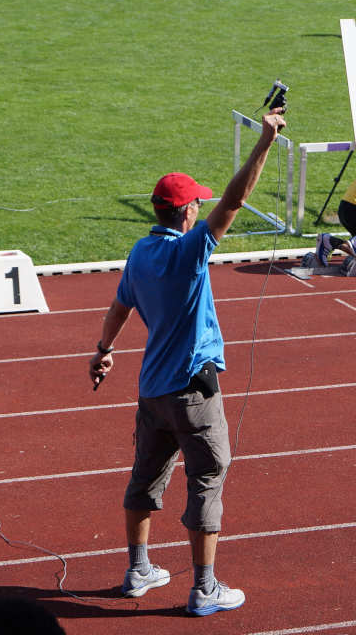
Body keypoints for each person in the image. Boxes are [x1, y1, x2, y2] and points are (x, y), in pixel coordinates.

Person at [88, 107, 286, 616]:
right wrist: (265, 140)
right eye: (196, 203)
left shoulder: (140, 253)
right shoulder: (190, 252)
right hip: (194, 393)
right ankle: (204, 588)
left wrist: (104, 351)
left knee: (144, 479)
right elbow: (237, 199)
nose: (201, 208)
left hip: (151, 390)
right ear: (185, 214)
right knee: (206, 479)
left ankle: (138, 570)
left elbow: (118, 307)